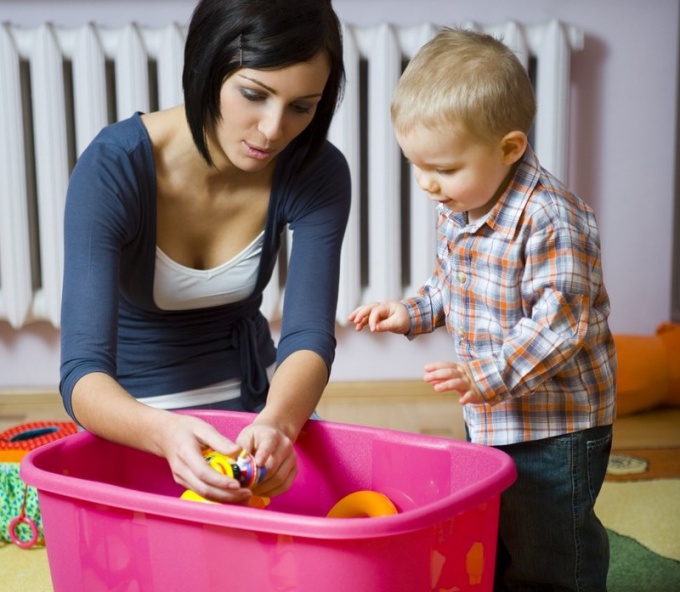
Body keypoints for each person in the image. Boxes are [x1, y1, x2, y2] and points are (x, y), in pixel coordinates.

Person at [349, 28, 616, 591]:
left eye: (443, 169)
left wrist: (485, 373)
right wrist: (412, 311)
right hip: (492, 413)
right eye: (416, 165)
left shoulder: (551, 219)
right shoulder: (463, 202)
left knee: (551, 541)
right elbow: (453, 282)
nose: (427, 184)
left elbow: (559, 326)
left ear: (510, 148)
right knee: (499, 526)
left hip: (556, 424)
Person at [59, 0, 350, 505]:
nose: (273, 129)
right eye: (254, 94)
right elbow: (82, 374)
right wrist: (164, 435)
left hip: (255, 410)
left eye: (302, 106)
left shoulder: (316, 170)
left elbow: (307, 334)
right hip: (139, 420)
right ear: (206, 66)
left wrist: (279, 423)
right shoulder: (114, 167)